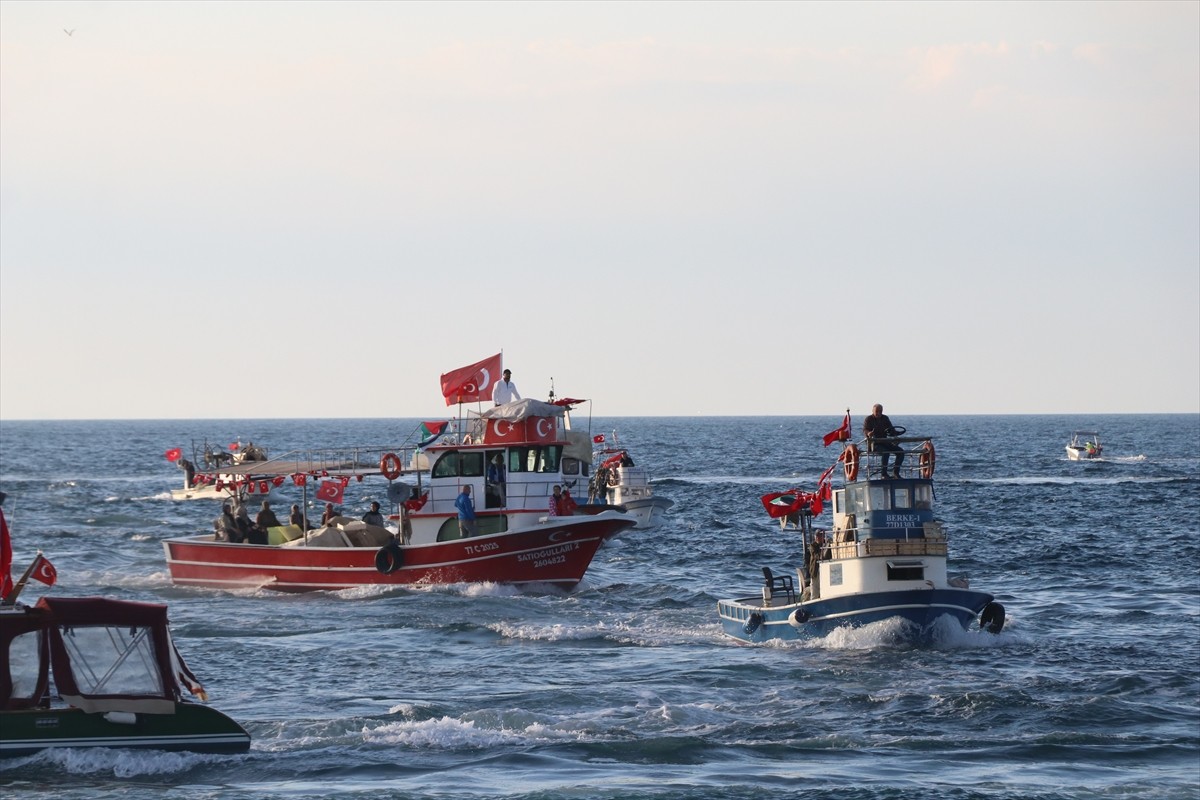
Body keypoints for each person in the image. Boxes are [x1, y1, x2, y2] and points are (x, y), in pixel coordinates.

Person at [863, 403, 904, 478]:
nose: (879, 413)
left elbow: (891, 429)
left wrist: (896, 434)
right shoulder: (868, 419)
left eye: (880, 411)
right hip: (874, 444)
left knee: (901, 452)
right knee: (886, 453)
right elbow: (865, 430)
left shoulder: (885, 418)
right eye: (877, 411)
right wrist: (869, 433)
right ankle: (884, 474)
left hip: (885, 442)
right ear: (873, 411)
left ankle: (896, 472)